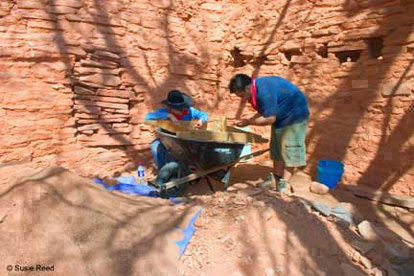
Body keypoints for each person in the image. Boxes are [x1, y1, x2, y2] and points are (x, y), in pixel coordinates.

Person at [228, 74, 310, 192]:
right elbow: (265, 112)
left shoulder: (264, 91)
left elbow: (270, 118)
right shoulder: (255, 90)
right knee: (277, 147)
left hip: (295, 115)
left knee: (289, 148)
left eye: (242, 95)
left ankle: (285, 183)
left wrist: (249, 122)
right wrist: (248, 120)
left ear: (247, 88)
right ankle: (275, 179)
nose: (243, 99)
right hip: (281, 116)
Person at [145, 89, 209, 171]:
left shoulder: (189, 111)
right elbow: (148, 117)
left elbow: (204, 115)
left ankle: (185, 168)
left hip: (185, 141)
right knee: (155, 146)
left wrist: (201, 120)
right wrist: (168, 116)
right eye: (178, 109)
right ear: (170, 108)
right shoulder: (165, 112)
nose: (182, 111)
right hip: (169, 141)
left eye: (182, 108)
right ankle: (162, 171)